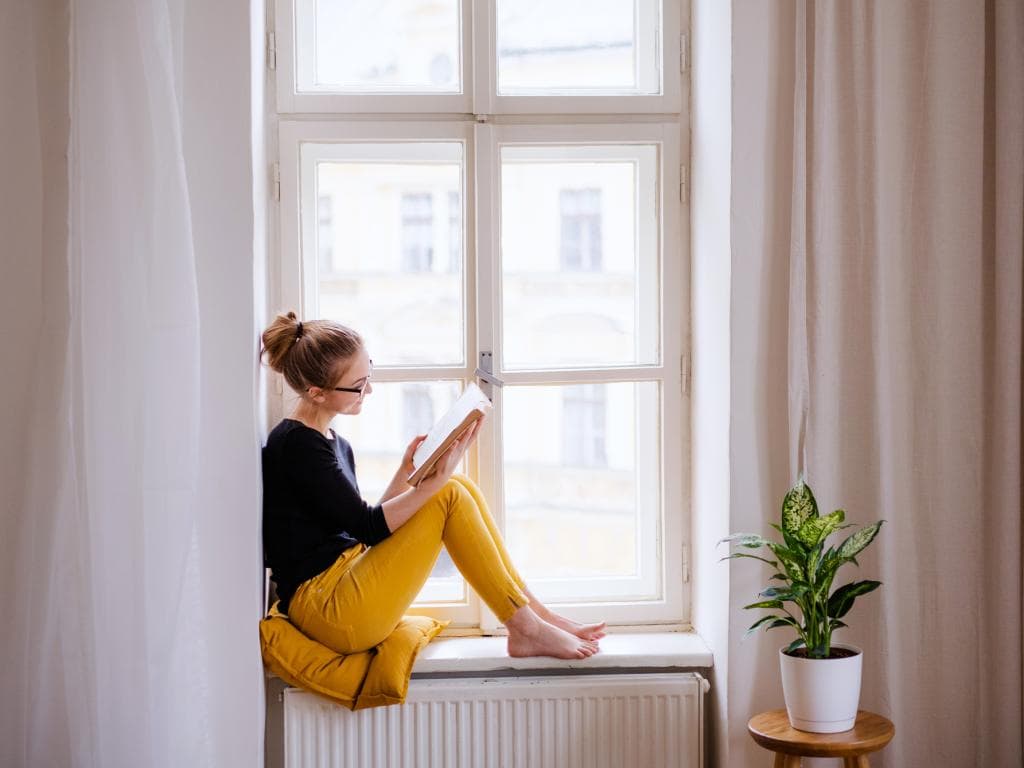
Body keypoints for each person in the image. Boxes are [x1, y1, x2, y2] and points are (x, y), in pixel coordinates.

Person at [261, 312, 605, 660]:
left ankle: (537, 617)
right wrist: (431, 484)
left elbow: (359, 528)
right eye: (359, 384)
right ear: (317, 393)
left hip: (340, 586)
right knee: (448, 492)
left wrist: (406, 470)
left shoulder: (331, 441)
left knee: (458, 485)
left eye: (369, 375)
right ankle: (527, 628)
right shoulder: (297, 445)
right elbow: (368, 527)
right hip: (328, 611)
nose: (370, 390)